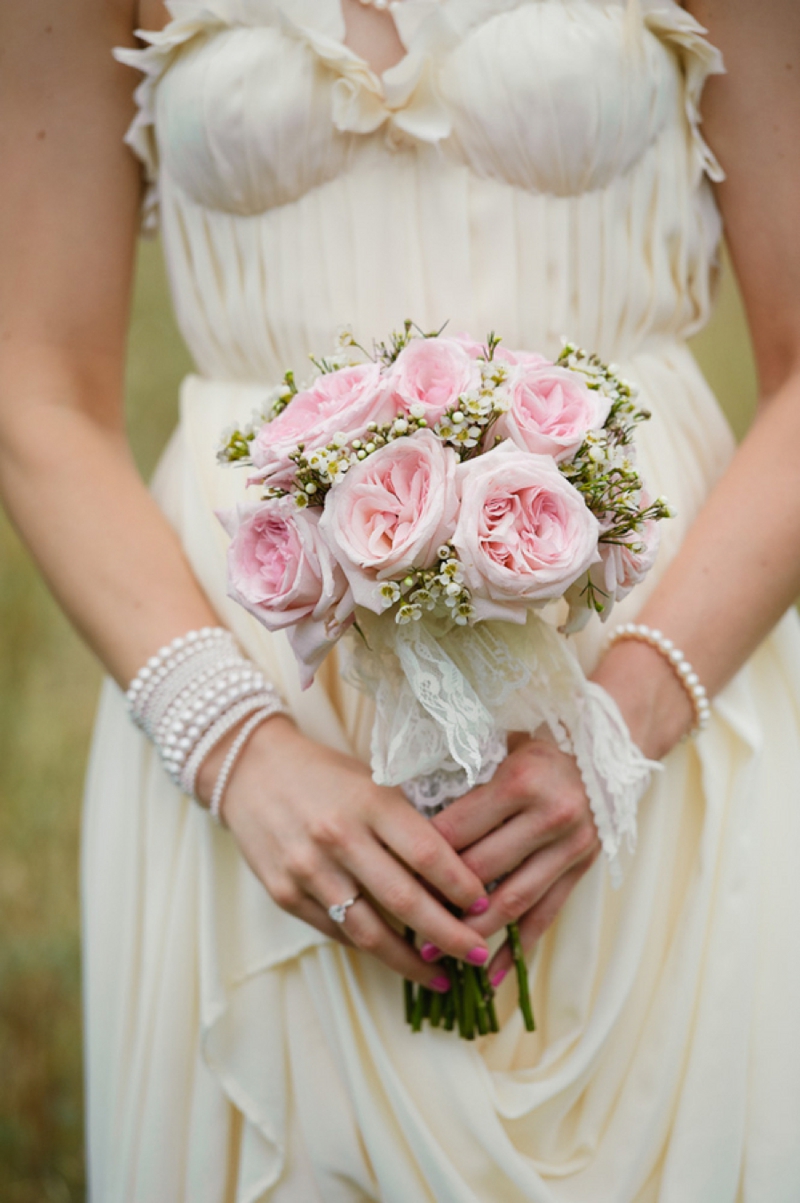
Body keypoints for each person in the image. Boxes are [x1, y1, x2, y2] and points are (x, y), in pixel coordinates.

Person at [1, 0, 799, 1197]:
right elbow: (37, 384)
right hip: (250, 726)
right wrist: (230, 744)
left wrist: (619, 729)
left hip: (660, 677)